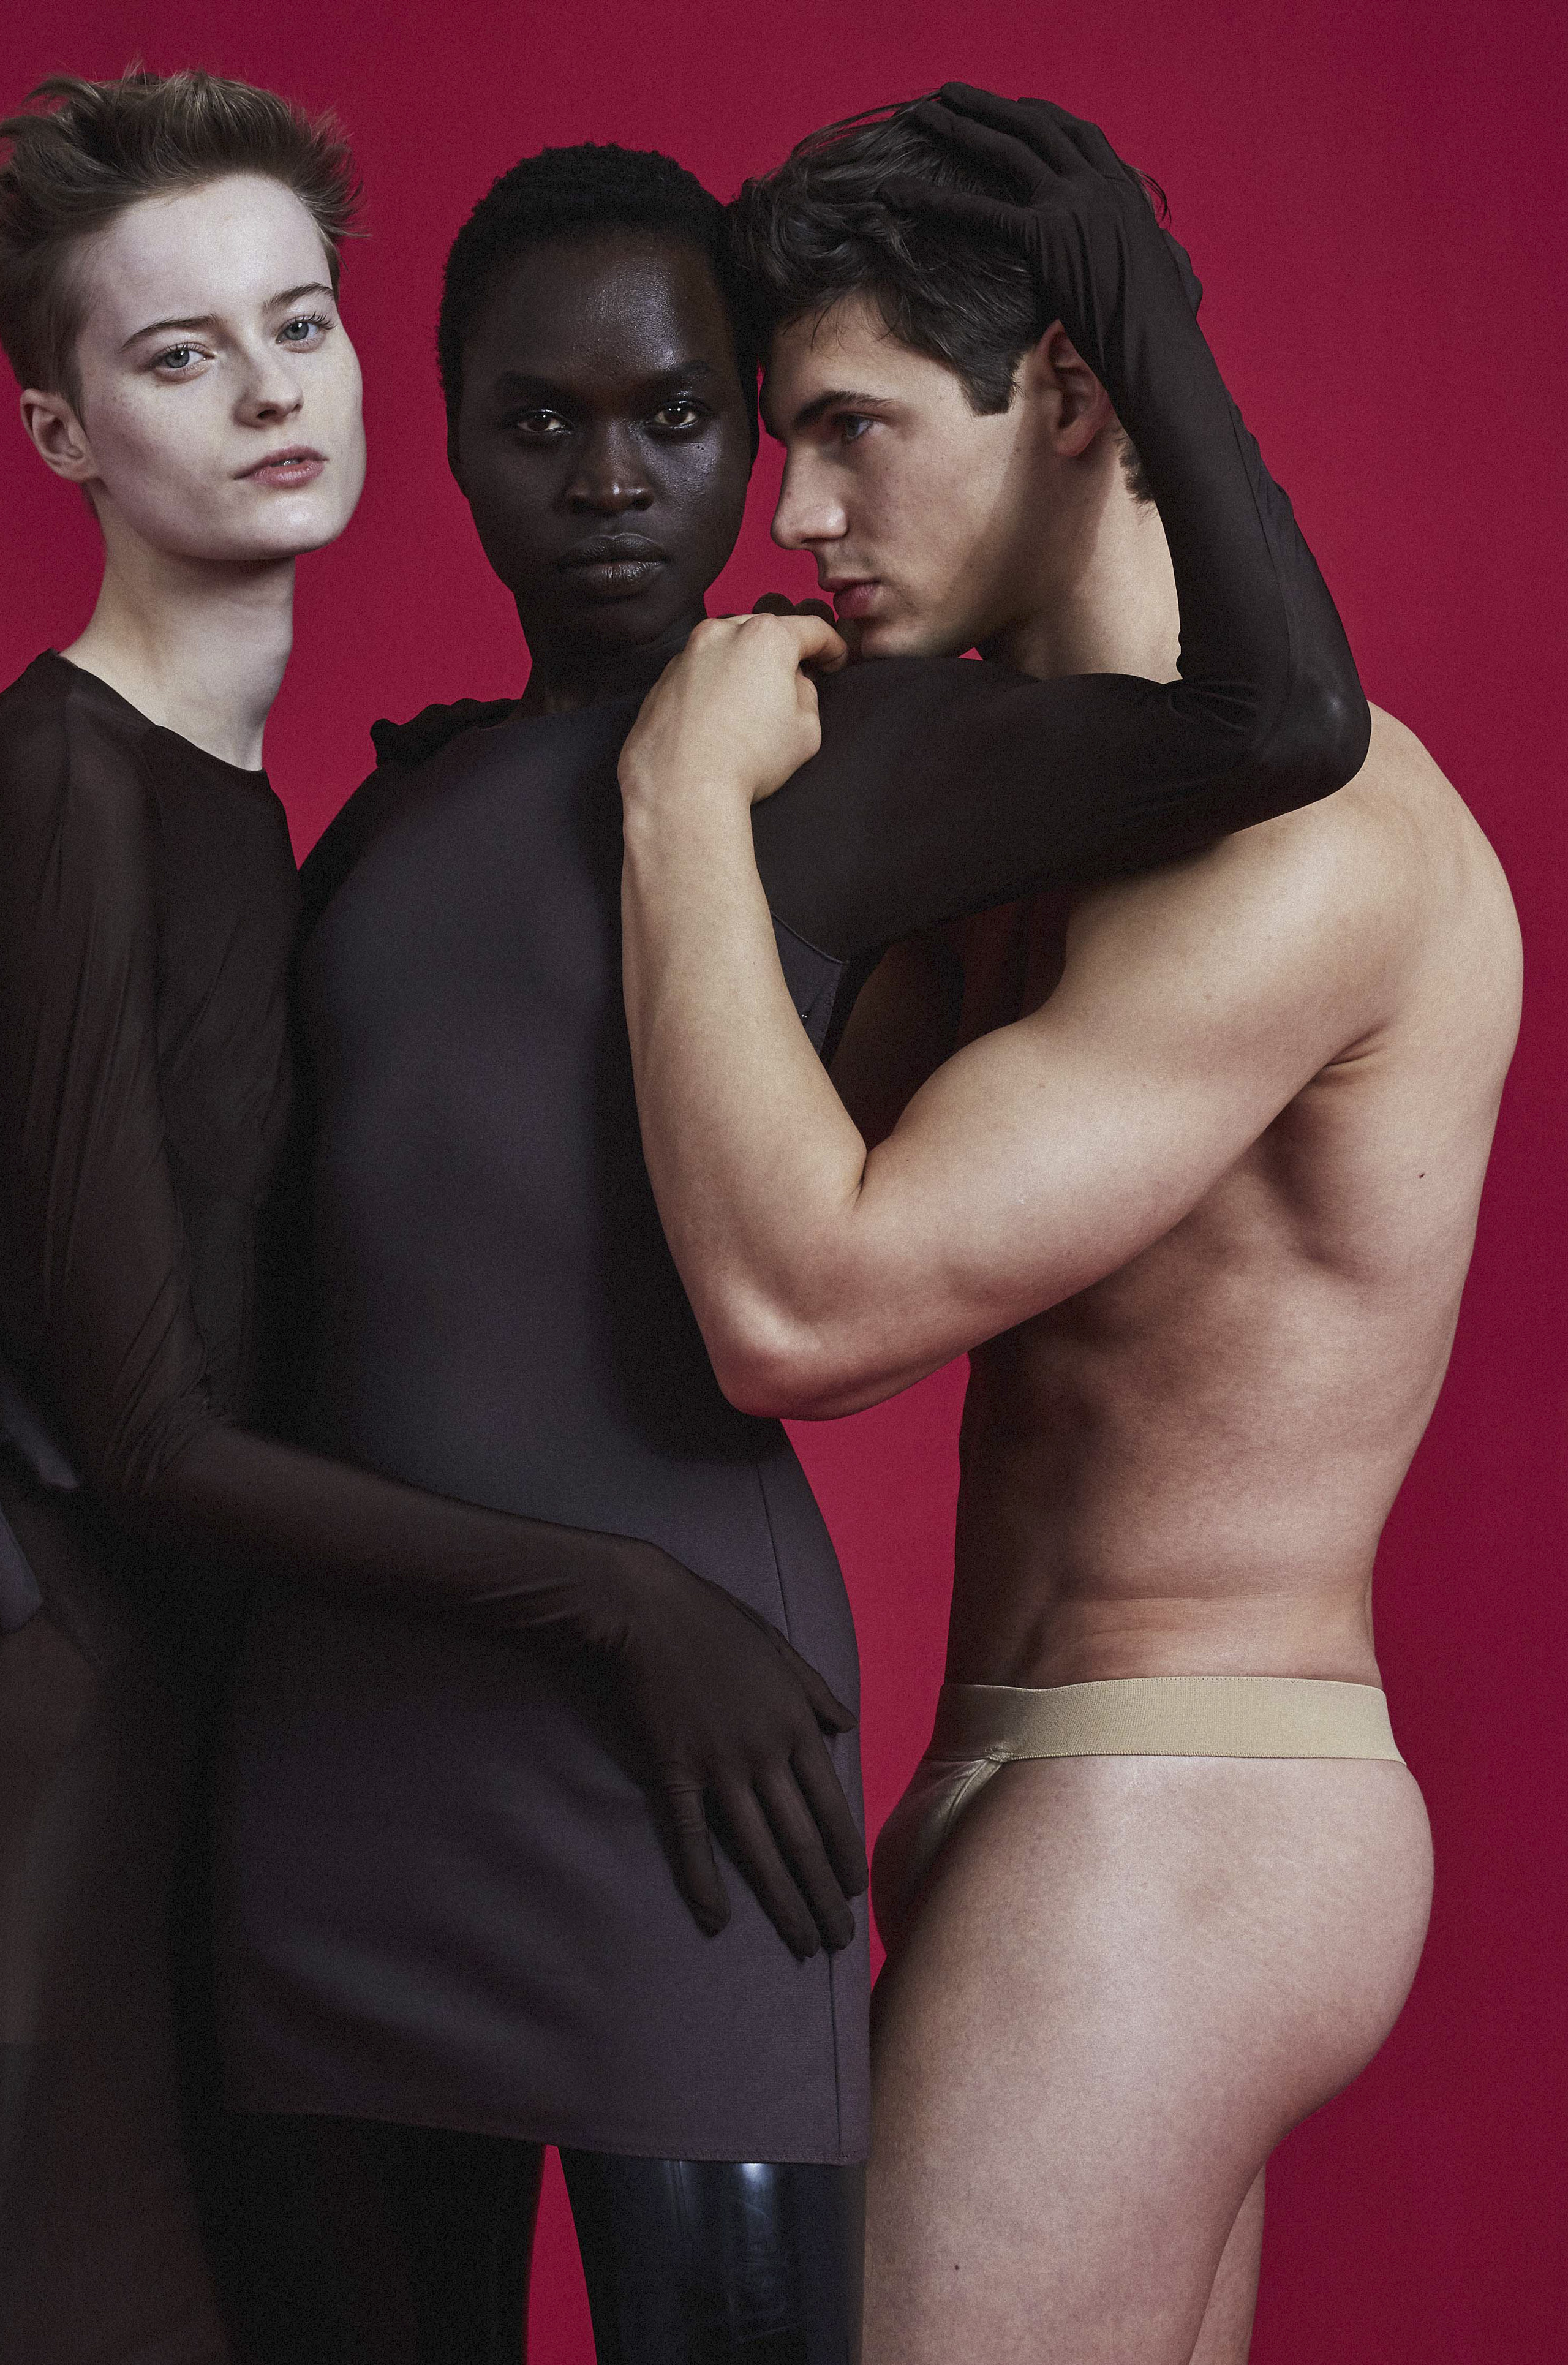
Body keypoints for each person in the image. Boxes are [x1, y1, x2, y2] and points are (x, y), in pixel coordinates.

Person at [0, 99, 1373, 2359]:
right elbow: (251, 1251)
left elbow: (1283, 720)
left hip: (683, 1755)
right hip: (335, 1756)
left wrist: (1121, 295)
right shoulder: (388, 808)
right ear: (448, 440)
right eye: (538, 423)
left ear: (743, 433)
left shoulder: (825, 747)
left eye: (673, 417)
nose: (610, 480)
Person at [0, 72, 876, 2365]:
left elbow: (252, 1230)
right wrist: (627, 1596)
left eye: (298, 325)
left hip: (248, 1734)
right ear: (62, 433)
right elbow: (157, 1429)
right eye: (180, 355)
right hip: (27, 1741)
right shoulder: (51, 778)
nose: (267, 393)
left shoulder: (310, 814)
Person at [614, 91, 1520, 2364]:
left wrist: (672, 808)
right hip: (1046, 1783)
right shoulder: (1023, 812)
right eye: (780, 441)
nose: (793, 514)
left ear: (1071, 395)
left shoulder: (1307, 854)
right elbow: (715, 1185)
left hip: (1181, 1796)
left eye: (853, 429)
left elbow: (799, 1304)